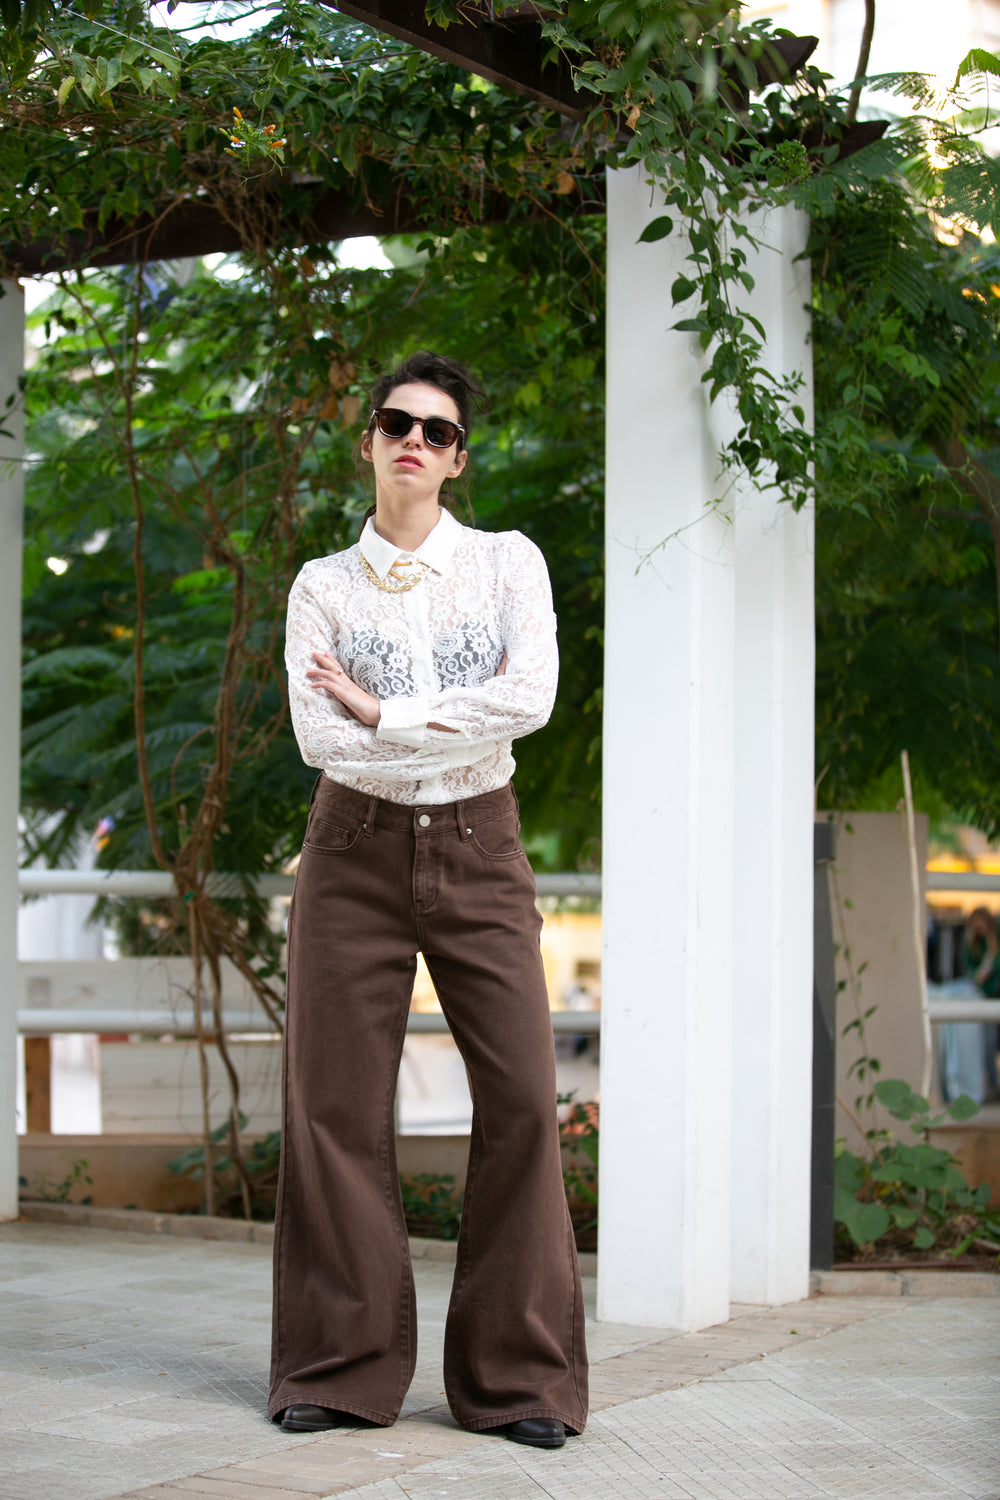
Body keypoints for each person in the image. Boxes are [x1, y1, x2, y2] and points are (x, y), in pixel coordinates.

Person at [268, 351, 588, 1450]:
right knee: (332, 1108)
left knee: (523, 1099)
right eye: (397, 423)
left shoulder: (506, 563)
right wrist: (396, 722)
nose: (415, 440)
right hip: (350, 847)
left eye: (438, 430)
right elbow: (322, 739)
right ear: (367, 441)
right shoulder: (322, 585)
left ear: (458, 459)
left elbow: (529, 699)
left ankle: (519, 1380)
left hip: (478, 843)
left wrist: (385, 712)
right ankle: (337, 1368)